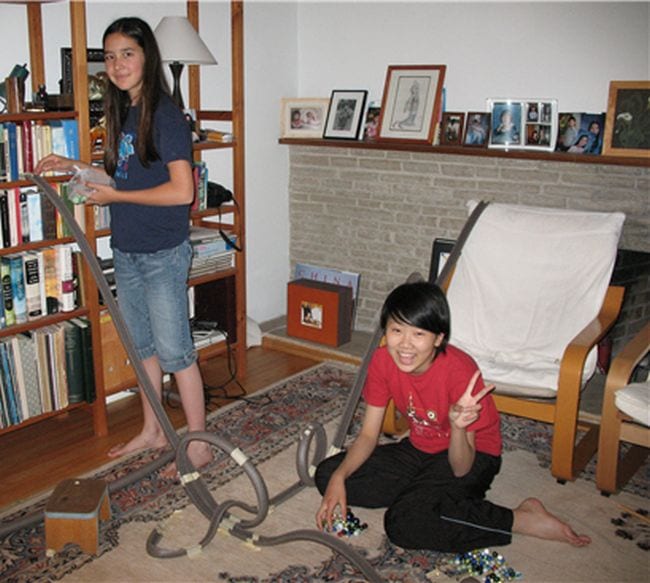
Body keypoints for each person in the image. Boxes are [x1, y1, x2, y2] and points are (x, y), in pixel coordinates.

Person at [34, 17, 212, 473]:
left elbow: (181, 192)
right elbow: (125, 177)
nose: (117, 64)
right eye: (110, 56)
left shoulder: (168, 116)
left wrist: (115, 196)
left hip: (161, 254)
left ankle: (198, 442)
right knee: (144, 350)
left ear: (147, 56)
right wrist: (75, 165)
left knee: (176, 353)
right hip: (129, 251)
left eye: (127, 54)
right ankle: (153, 430)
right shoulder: (127, 113)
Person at [315, 281, 591, 553]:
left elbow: (461, 467)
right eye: (397, 330)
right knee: (327, 474)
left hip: (473, 454)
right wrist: (340, 477)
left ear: (438, 338)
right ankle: (429, 496)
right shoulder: (382, 361)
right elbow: (367, 435)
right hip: (419, 447)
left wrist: (458, 427)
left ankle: (521, 519)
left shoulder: (459, 371)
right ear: (386, 331)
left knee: (404, 523)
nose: (405, 345)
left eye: (419, 334)